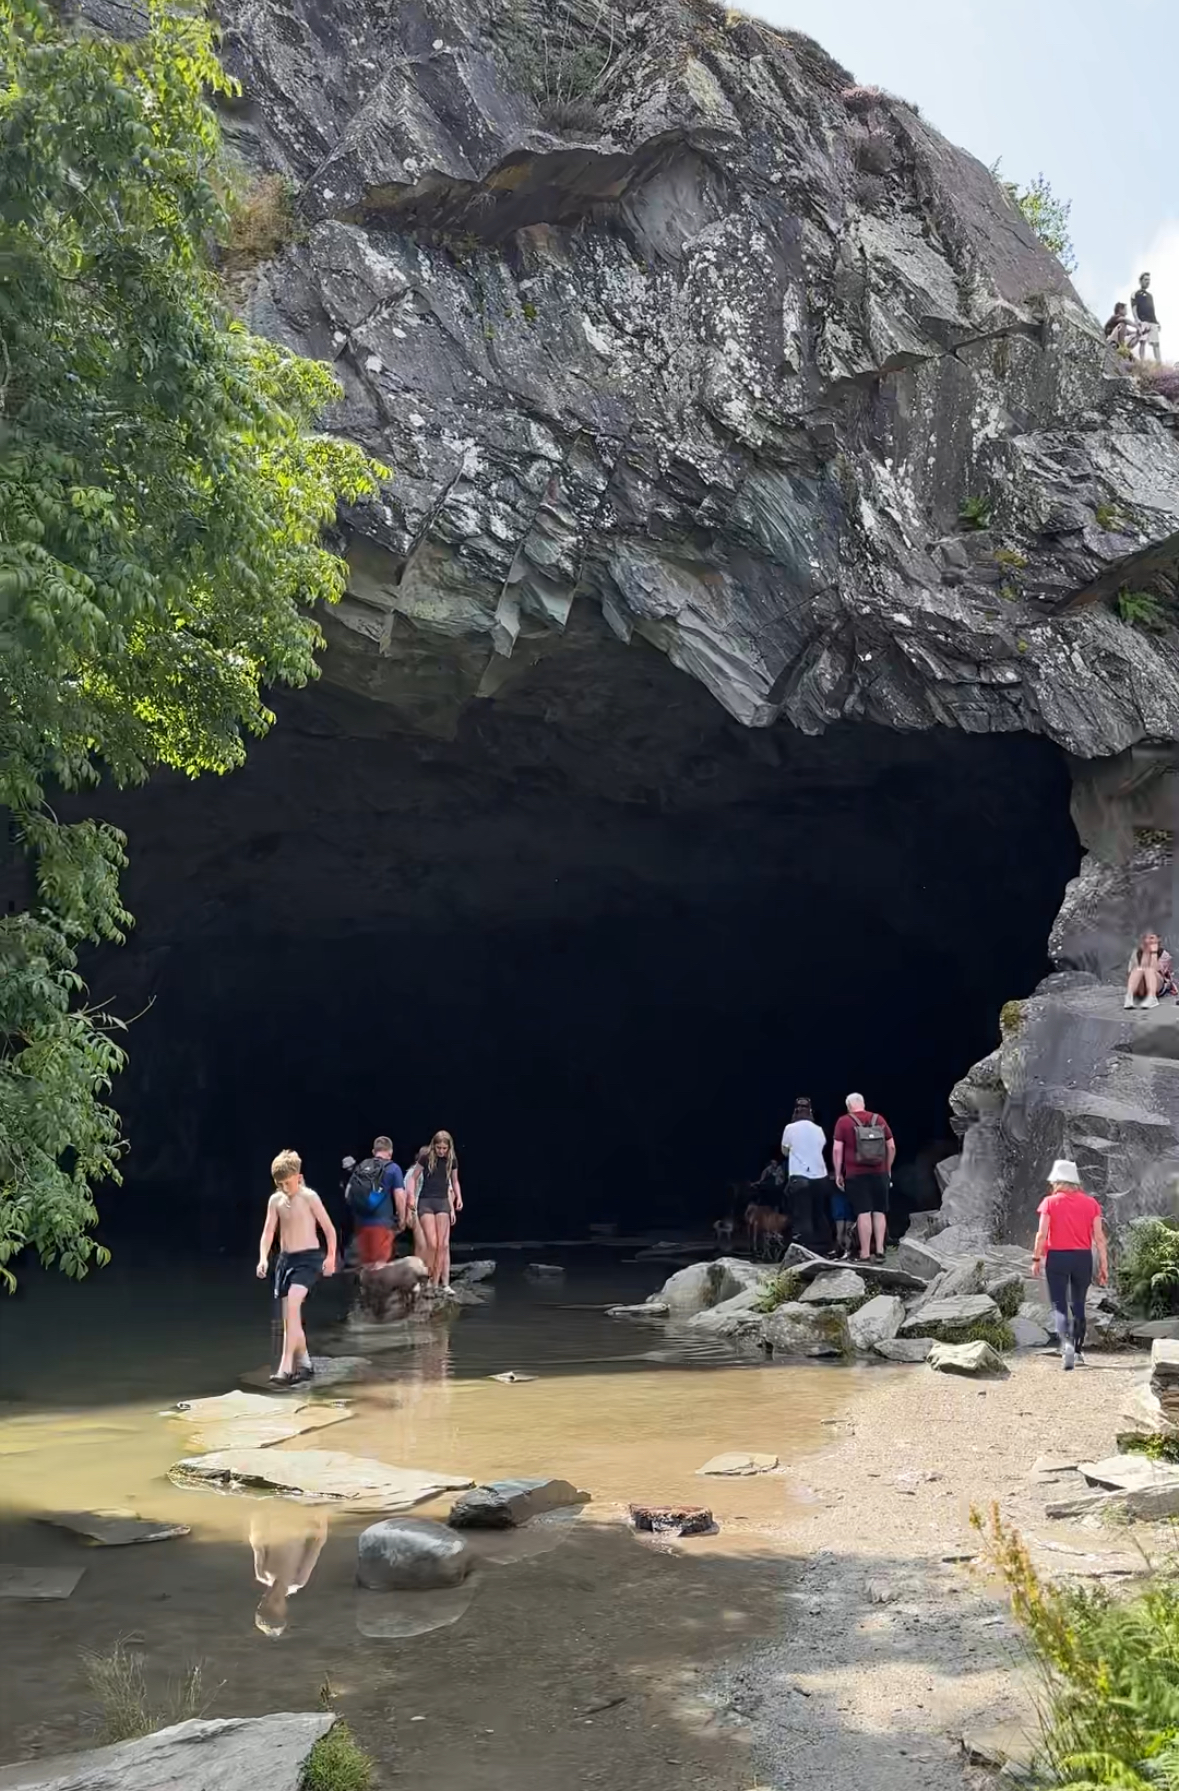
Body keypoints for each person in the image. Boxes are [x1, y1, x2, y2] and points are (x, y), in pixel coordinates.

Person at [256, 1148, 336, 1386]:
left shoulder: (309, 1197)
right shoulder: (276, 1201)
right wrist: (263, 1258)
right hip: (286, 1259)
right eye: (280, 1184)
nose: (284, 1188)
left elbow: (329, 1230)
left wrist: (331, 1257)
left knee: (292, 1304)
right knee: (290, 1317)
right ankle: (306, 1363)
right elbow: (268, 1231)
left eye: (288, 1183)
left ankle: (286, 1367)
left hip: (308, 1259)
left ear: (298, 1176)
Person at [1032, 1158, 1108, 1370]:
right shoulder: (1091, 1204)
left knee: (1059, 1304)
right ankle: (1078, 1351)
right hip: (1083, 1258)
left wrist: (1036, 1258)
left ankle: (1065, 1343)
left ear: (1058, 1181)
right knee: (1079, 1305)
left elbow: (1041, 1234)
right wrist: (1104, 1265)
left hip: (1057, 1257)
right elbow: (1100, 1238)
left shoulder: (1049, 1202)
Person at [832, 1093, 895, 1264]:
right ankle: (880, 1251)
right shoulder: (878, 1119)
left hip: (856, 1174)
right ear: (863, 1104)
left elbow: (837, 1150)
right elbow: (891, 1146)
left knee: (863, 1212)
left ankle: (865, 1253)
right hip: (880, 1172)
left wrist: (838, 1173)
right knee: (879, 1211)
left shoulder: (843, 1122)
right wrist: (887, 1168)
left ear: (848, 1106)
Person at [251, 1509, 328, 1638]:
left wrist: (255, 1515)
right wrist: (323, 1517)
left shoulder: (262, 1573)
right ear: (284, 1610)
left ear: (260, 1603)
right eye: (274, 1610)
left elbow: (256, 1540)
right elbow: (317, 1544)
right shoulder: (298, 1580)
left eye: (265, 1606)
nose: (269, 1603)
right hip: (301, 1520)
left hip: (275, 1517)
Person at [406, 1131, 462, 1288]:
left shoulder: (452, 1160)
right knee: (431, 1243)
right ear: (434, 1146)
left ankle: (435, 1283)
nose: (442, 1151)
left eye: (444, 1148)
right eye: (439, 1148)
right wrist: (410, 1197)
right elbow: (413, 1178)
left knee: (441, 1245)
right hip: (426, 1201)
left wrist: (459, 1197)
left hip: (443, 1202)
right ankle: (426, 1277)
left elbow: (455, 1181)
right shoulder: (426, 1157)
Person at [345, 1136, 407, 1267]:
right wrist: (402, 1219)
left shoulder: (361, 1166)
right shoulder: (393, 1169)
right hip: (382, 1223)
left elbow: (347, 1194)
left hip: (360, 1223)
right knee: (380, 1266)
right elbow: (400, 1197)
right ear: (390, 1152)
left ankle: (365, 1288)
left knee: (365, 1265)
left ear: (374, 1151)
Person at [780, 1096, 829, 1252]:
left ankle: (805, 1250)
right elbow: (822, 1146)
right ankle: (824, 1247)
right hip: (820, 1176)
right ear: (810, 1111)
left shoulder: (790, 1128)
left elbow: (785, 1150)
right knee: (819, 1213)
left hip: (800, 1176)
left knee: (802, 1214)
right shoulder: (818, 1129)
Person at [1125, 932, 1176, 1009]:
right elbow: (1134, 973)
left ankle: (1152, 998)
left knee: (1149, 970)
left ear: (1158, 939)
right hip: (1141, 987)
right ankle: (1129, 997)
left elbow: (1155, 970)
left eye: (1151, 938)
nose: (1148, 940)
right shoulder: (1137, 953)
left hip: (1158, 985)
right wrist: (1145, 953)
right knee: (1138, 969)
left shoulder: (1164, 954)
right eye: (1145, 938)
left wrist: (1153, 953)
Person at [1132, 273, 1161, 362]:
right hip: (1143, 321)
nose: (1148, 282)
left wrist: (1157, 322)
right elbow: (1134, 308)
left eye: (1149, 280)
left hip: (1152, 321)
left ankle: (1158, 363)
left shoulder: (1150, 296)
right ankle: (1142, 361)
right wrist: (1137, 319)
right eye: (1145, 279)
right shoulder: (1136, 293)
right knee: (1142, 342)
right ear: (1140, 281)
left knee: (1156, 343)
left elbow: (1152, 310)